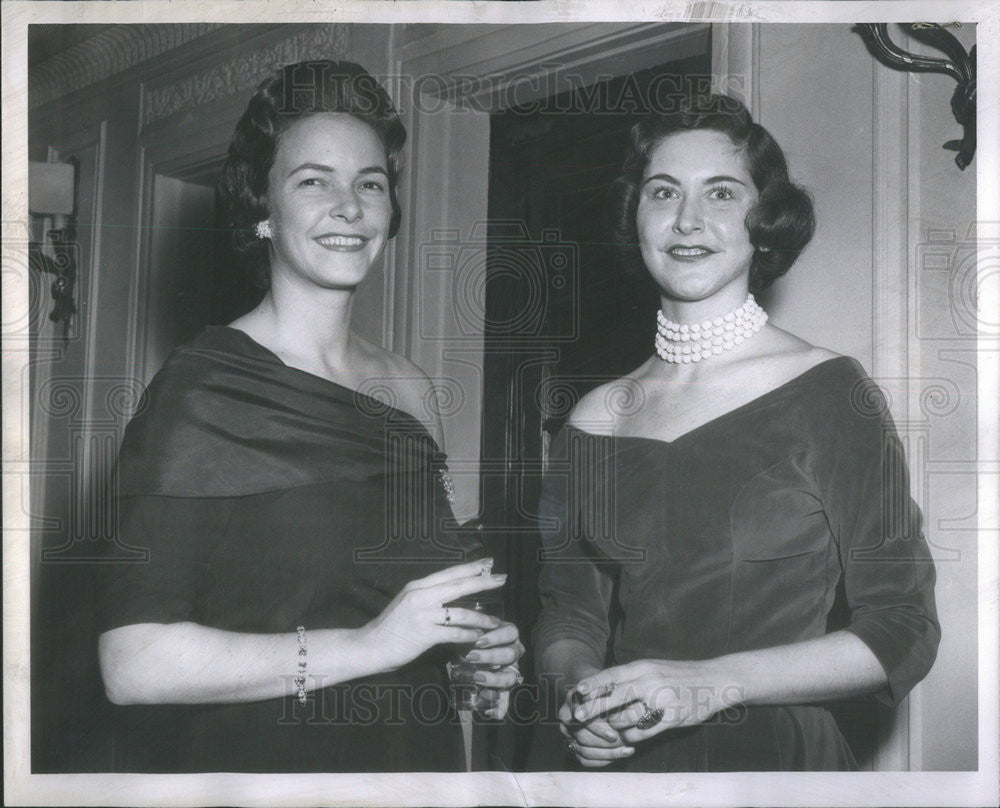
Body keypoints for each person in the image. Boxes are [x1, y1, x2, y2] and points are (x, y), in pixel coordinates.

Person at [98, 60, 523, 773]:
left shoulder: (413, 390)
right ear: (263, 209)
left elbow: (389, 607)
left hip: (413, 763)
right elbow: (132, 664)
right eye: (313, 180)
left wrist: (466, 656)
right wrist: (371, 645)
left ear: (390, 212)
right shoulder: (202, 389)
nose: (349, 206)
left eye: (371, 184)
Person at [533, 94, 939, 771]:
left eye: (721, 193)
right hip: (627, 768)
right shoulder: (591, 420)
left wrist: (708, 685)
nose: (687, 219)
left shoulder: (830, 391)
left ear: (764, 220)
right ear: (635, 215)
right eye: (663, 192)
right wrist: (581, 696)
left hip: (777, 761)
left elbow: (903, 630)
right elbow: (569, 616)